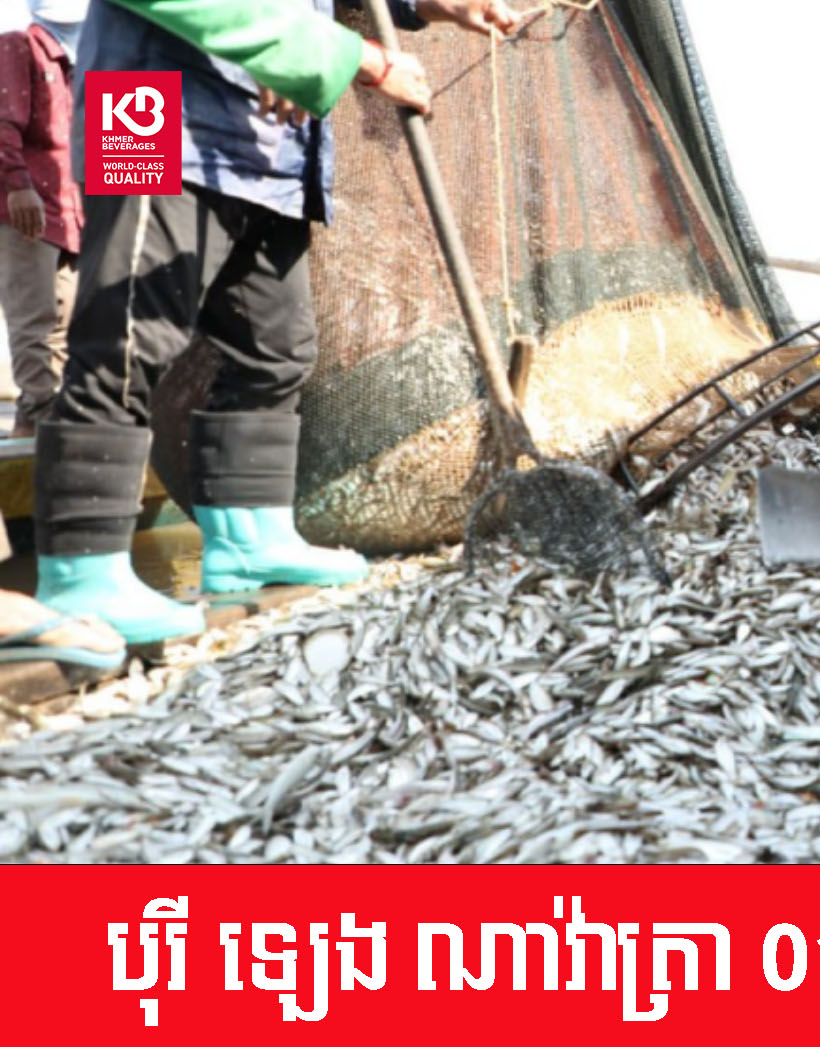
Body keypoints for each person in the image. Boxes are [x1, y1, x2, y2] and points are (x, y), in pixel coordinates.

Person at [34, 0, 518, 646]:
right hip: (145, 107)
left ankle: (250, 537)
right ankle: (82, 570)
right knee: (125, 340)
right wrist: (357, 59)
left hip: (265, 148)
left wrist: (427, 4)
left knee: (277, 347)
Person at [0, 1, 87, 439]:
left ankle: (48, 415)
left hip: (71, 213)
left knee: (66, 321)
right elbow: (3, 123)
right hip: (30, 209)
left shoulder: (89, 60)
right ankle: (37, 415)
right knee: (34, 318)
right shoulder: (18, 47)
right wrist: (18, 184)